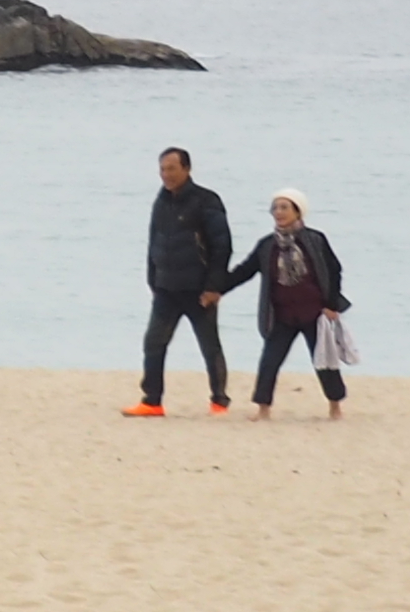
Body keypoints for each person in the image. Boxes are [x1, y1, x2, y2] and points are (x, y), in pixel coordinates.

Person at [227, 188, 352, 418]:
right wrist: (216, 288)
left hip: (314, 313)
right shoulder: (267, 245)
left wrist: (331, 305)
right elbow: (244, 271)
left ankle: (335, 406)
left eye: (284, 207)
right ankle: (263, 409)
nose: (279, 212)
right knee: (269, 362)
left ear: (298, 211)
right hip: (282, 316)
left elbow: (334, 270)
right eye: (275, 208)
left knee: (325, 362)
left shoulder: (315, 240)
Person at [130, 146, 236, 416]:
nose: (166, 175)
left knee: (209, 346)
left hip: (198, 290)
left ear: (187, 169)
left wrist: (214, 287)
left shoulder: (206, 200)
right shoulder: (161, 200)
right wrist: (153, 279)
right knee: (153, 343)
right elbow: (154, 241)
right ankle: (152, 401)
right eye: (162, 169)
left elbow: (222, 246)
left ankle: (219, 401)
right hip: (166, 289)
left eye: (172, 169)